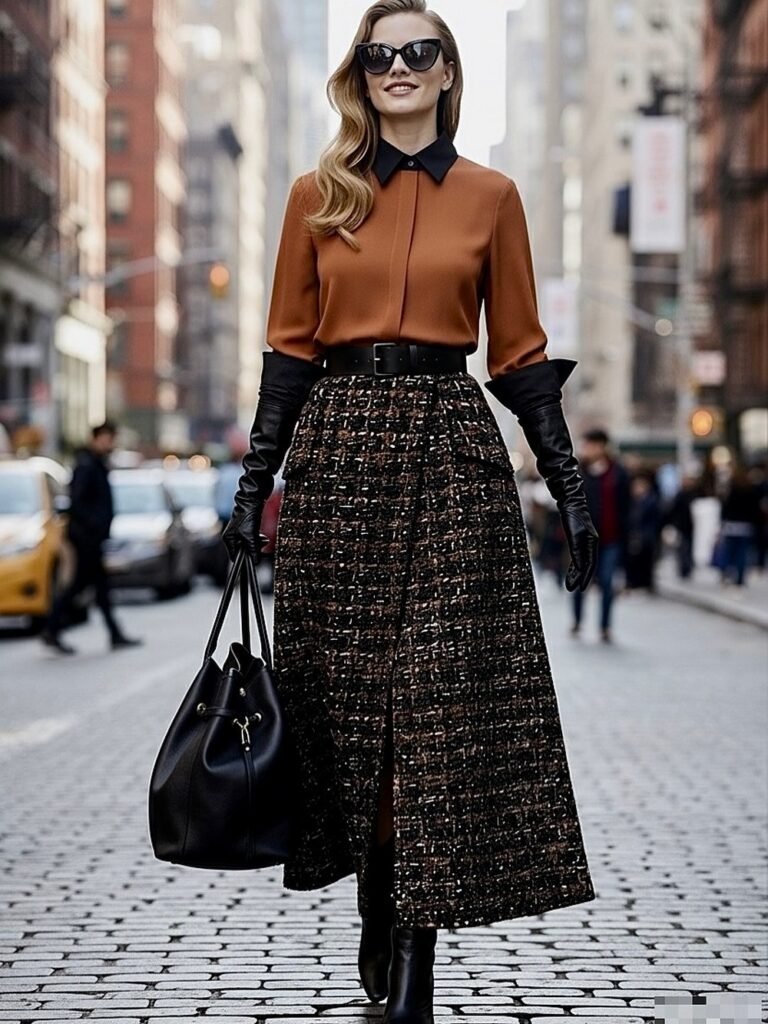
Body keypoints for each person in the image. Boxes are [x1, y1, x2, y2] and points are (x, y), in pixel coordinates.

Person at [222, 3, 598, 1019]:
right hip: (340, 451)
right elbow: (288, 350)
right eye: (378, 54)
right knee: (350, 712)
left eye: (417, 52)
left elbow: (518, 351)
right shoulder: (316, 195)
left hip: (451, 449)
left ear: (446, 72)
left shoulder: (493, 197)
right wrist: (254, 488)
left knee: (431, 709)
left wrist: (568, 486)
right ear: (361, 74)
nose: (397, 66)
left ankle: (414, 962)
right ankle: (380, 908)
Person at [41, 422, 142, 655]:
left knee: (99, 587)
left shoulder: (96, 463)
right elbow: (77, 502)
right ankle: (52, 628)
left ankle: (111, 633)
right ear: (96, 438)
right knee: (81, 585)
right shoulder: (87, 465)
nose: (110, 444)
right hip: (85, 538)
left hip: (92, 537)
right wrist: (95, 525)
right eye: (107, 439)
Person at [572, 428, 629, 643]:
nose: (587, 449)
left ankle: (605, 626)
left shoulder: (618, 473)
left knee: (606, 581)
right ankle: (577, 620)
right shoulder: (579, 473)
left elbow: (626, 505)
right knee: (581, 583)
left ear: (602, 446)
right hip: (585, 539)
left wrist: (627, 533)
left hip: (611, 537)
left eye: (590, 445)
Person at [719, 465, 761, 587]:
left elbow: (725, 508)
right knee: (742, 553)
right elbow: (755, 510)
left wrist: (723, 521)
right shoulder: (751, 491)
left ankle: (726, 574)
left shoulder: (732, 490)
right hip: (744, 526)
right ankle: (740, 577)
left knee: (729, 552)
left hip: (731, 525)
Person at [625, 470, 661, 591]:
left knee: (647, 560)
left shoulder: (651, 501)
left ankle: (646, 583)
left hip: (647, 535)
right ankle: (636, 582)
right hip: (635, 535)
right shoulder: (632, 501)